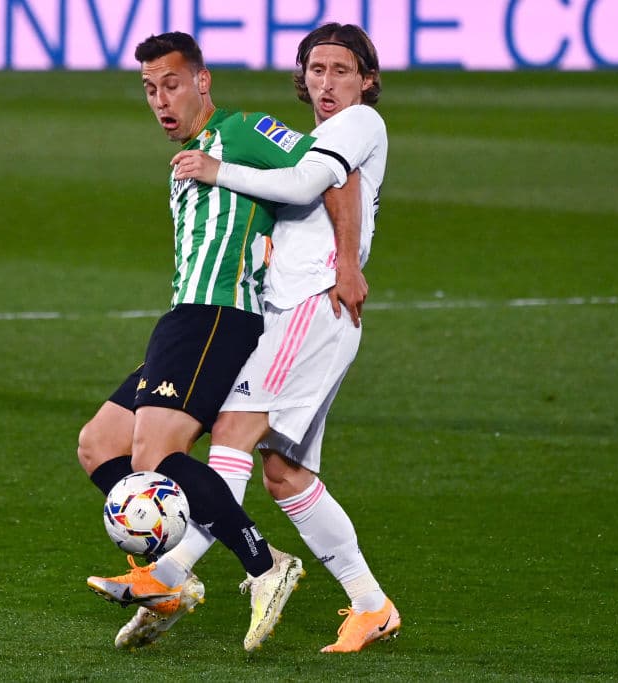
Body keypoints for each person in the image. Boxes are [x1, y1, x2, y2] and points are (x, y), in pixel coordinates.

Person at [108, 22, 399, 654]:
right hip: (291, 306)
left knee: (233, 433)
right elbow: (310, 196)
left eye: (341, 71)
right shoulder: (322, 135)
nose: (326, 83)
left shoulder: (358, 126)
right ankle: (371, 605)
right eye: (315, 70)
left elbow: (309, 186)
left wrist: (220, 171)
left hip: (311, 304)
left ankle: (176, 572)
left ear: (367, 80)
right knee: (285, 475)